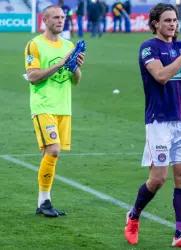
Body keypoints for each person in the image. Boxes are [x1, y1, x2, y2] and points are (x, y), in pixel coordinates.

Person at [124, 3, 181, 248]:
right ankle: (134, 215)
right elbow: (161, 76)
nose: (173, 24)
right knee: (158, 179)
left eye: (175, 20)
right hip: (159, 122)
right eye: (168, 20)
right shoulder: (149, 47)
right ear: (155, 24)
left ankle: (180, 234)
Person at [23, 5, 85, 218]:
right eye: (56, 17)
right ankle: (45, 200)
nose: (61, 20)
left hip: (63, 108)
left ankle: (43, 202)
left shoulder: (69, 45)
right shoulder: (35, 44)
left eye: (63, 17)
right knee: (54, 150)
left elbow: (76, 81)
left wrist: (75, 67)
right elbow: (32, 76)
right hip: (43, 106)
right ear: (45, 19)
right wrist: (60, 64)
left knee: (50, 153)